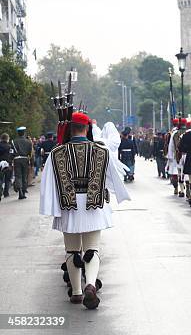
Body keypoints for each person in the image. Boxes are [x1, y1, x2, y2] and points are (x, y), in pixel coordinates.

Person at [39, 112, 131, 309]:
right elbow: (113, 177)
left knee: (72, 250)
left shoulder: (57, 153)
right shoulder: (101, 151)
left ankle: (77, 293)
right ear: (87, 128)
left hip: (68, 205)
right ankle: (90, 283)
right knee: (92, 248)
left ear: (70, 129)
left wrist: (51, 206)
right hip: (93, 204)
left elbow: (48, 183)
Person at [167, 118, 187, 196]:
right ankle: (186, 188)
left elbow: (171, 146)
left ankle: (177, 188)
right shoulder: (187, 132)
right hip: (186, 156)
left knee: (177, 173)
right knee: (185, 173)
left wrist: (170, 156)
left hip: (177, 156)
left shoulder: (174, 133)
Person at [12, 126, 32, 199]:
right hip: (25, 159)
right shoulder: (28, 142)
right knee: (24, 176)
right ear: (24, 133)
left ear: (18, 133)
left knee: (18, 176)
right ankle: (23, 192)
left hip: (17, 159)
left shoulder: (13, 141)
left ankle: (20, 191)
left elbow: (12, 152)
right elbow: (30, 153)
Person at [0, 133, 13, 199]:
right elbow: (11, 155)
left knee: (0, 179)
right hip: (8, 164)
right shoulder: (10, 146)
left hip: (0, 164)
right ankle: (6, 193)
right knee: (7, 179)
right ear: (7, 139)